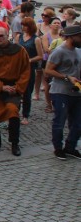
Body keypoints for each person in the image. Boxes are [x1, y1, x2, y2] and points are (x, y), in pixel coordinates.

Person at [0, 27, 30, 156]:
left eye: (1, 36)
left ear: (7, 35)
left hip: (13, 89)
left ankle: (15, 143)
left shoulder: (20, 51)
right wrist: (0, 87)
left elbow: (26, 71)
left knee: (13, 112)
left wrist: (18, 88)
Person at [43, 24, 81, 160]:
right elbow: (48, 70)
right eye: (80, 36)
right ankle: (58, 148)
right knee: (59, 121)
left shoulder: (78, 50)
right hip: (60, 91)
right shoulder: (59, 51)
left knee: (77, 123)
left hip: (77, 92)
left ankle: (70, 147)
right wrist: (66, 77)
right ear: (72, 37)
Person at [18, 17, 43, 126]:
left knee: (27, 92)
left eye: (25, 25)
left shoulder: (36, 39)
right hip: (19, 68)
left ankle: (25, 115)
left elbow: (40, 56)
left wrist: (30, 60)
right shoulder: (19, 36)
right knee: (17, 91)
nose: (23, 27)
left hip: (29, 68)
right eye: (22, 25)